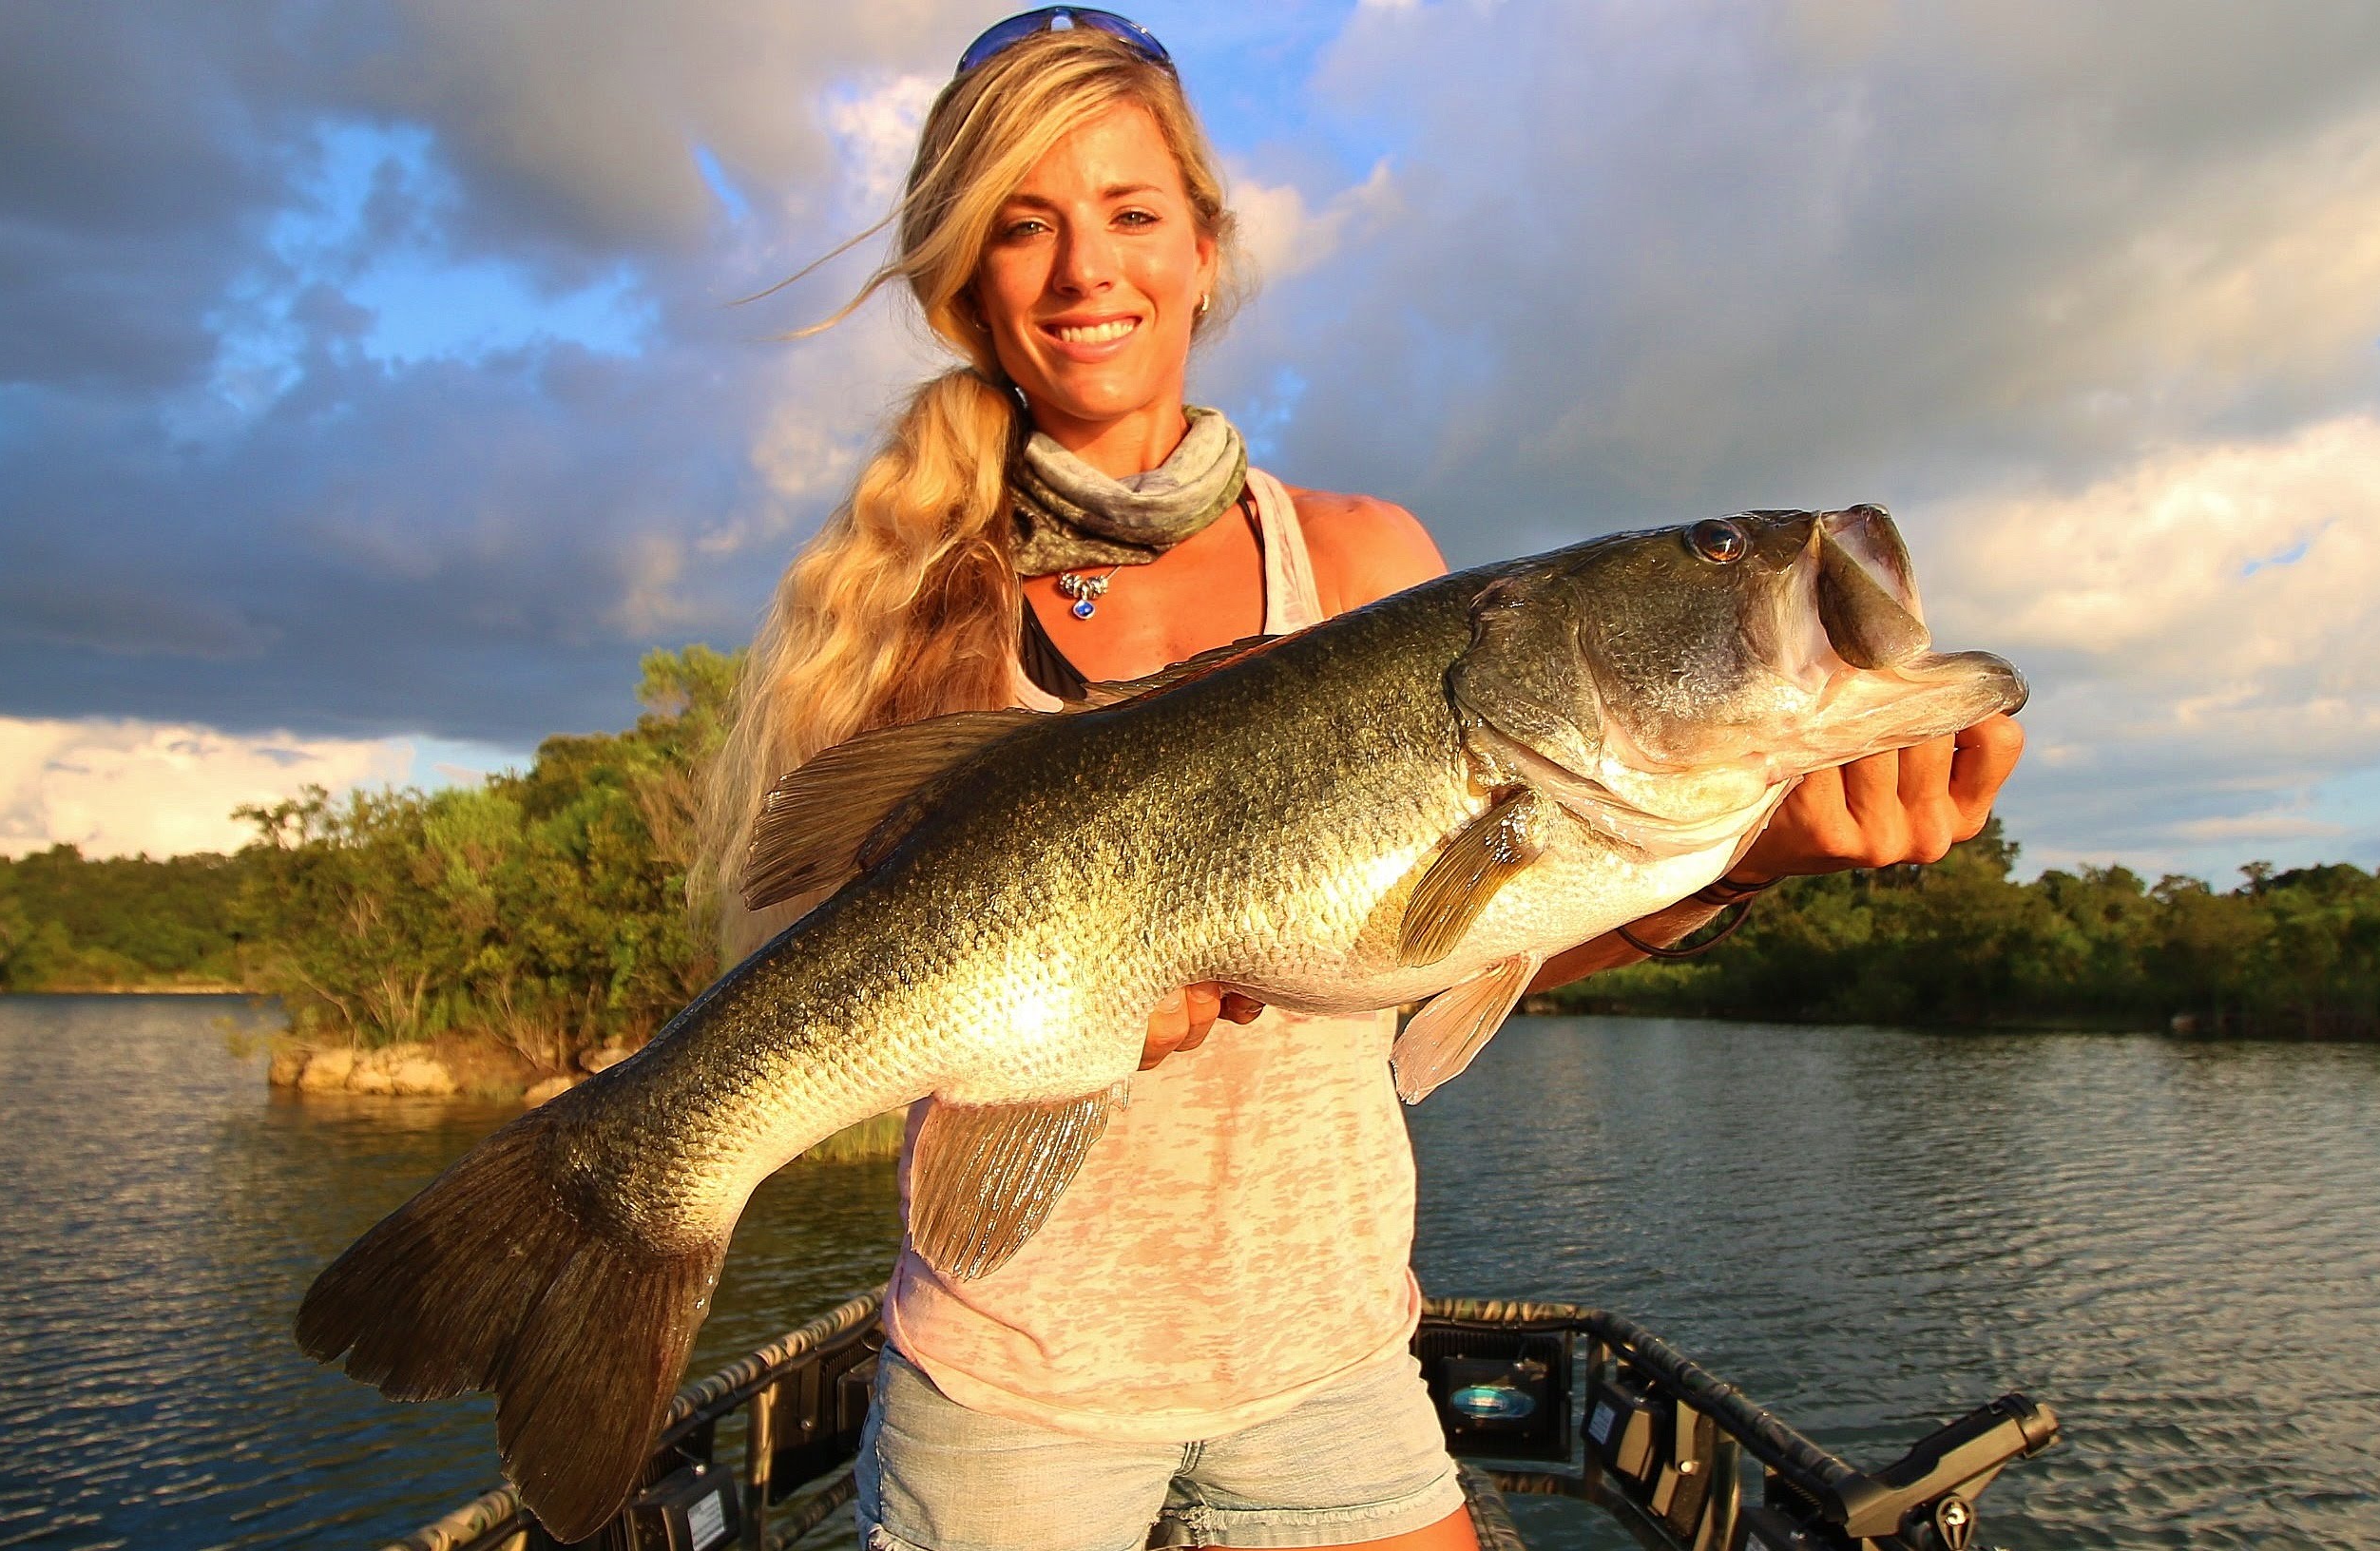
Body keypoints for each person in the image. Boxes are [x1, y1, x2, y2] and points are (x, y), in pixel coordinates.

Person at [695, 12, 2024, 1550]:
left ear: (1206, 246)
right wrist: (1068, 1002)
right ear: (965, 282)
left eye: (1132, 215)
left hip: (1329, 1358)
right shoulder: (894, 607)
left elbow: (1462, 948)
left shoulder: (1370, 565)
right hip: (1012, 1391)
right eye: (1023, 227)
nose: (1085, 273)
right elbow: (864, 991)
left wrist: (1755, 857)